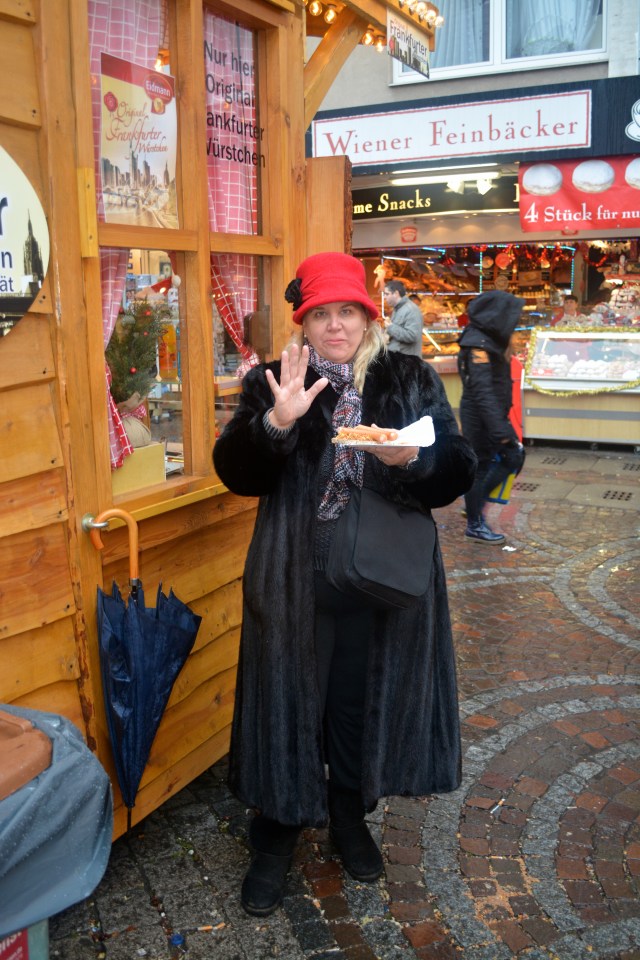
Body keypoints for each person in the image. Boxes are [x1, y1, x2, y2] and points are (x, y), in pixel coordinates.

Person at [213, 252, 477, 917]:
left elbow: (459, 469)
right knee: (287, 701)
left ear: (368, 315)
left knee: (359, 703)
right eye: (320, 314)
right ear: (305, 322)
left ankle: (349, 815)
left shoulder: (408, 377)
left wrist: (415, 459)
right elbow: (236, 473)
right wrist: (277, 424)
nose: (335, 326)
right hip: (293, 575)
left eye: (347, 312)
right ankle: (273, 839)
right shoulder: (274, 380)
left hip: (382, 577)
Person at [457, 290, 525, 544]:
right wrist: (502, 433)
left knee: (501, 461)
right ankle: (475, 522)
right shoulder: (478, 344)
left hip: (490, 415)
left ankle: (474, 506)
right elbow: (482, 392)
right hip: (482, 417)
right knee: (491, 464)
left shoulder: (486, 338)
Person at [382, 279, 424, 356]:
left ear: (396, 293)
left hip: (407, 363)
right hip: (399, 361)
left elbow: (412, 336)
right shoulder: (398, 309)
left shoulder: (411, 310)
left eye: (387, 294)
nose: (384, 297)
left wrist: (391, 327)